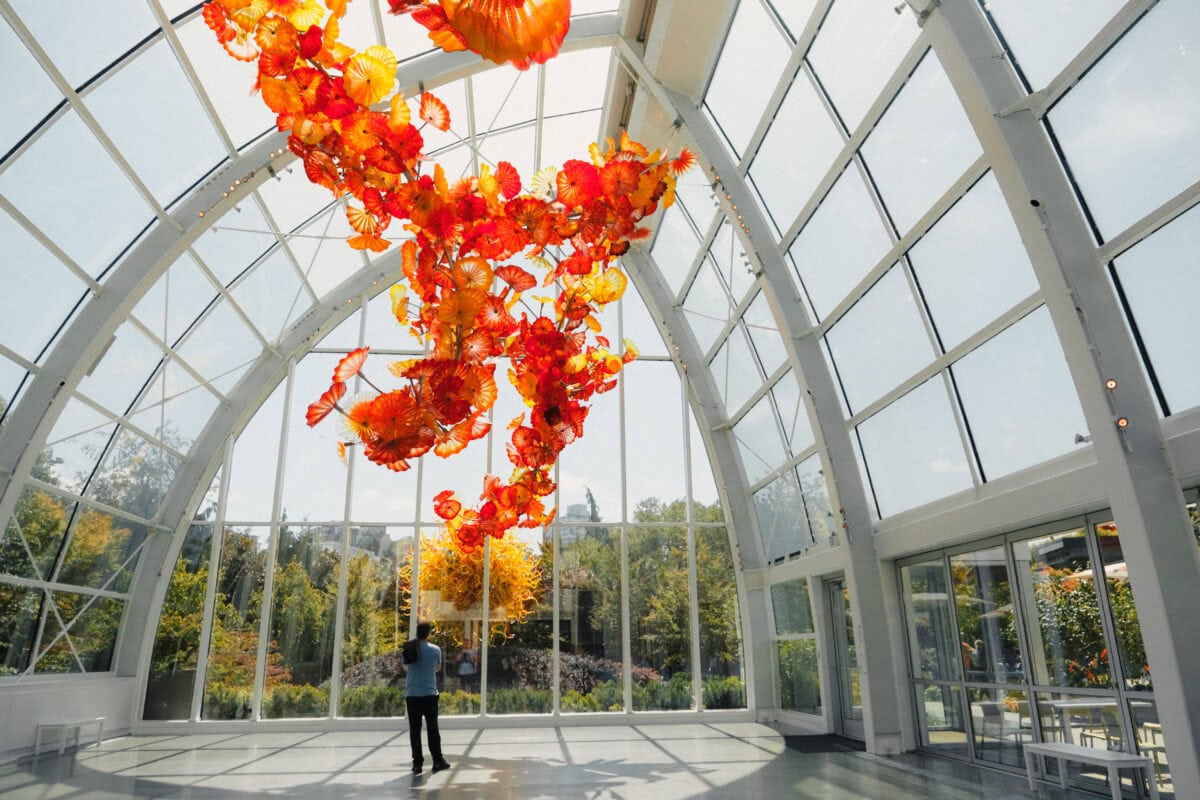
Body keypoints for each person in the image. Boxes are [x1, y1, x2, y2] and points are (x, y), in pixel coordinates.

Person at [405, 622, 450, 775]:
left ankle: (417, 763)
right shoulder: (435, 650)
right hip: (430, 694)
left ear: (417, 633)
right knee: (432, 728)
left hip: (412, 694)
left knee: (415, 730)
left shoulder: (409, 647)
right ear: (429, 633)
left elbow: (405, 666)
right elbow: (437, 668)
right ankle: (438, 760)